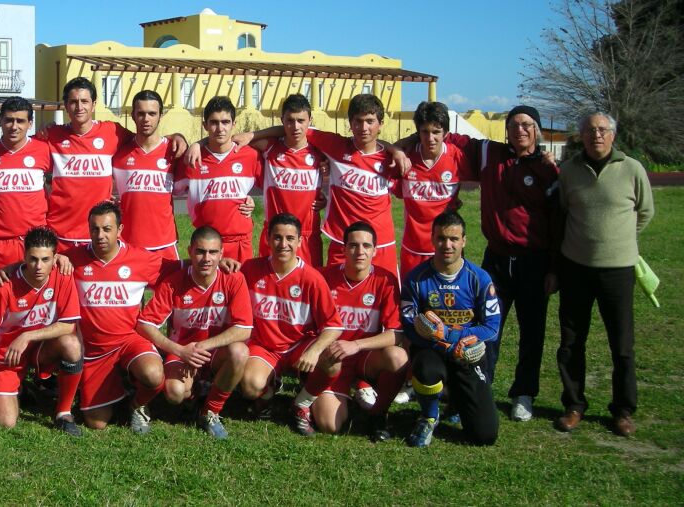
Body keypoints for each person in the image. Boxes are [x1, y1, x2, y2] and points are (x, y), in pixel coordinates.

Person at [416, 105, 560, 421]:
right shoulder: (488, 153)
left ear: (536, 130)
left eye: (526, 125)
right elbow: (438, 131)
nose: (520, 130)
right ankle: (482, 386)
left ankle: (524, 393)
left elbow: (557, 221)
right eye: (513, 125)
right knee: (484, 328)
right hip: (495, 259)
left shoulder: (549, 170)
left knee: (532, 330)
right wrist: (400, 147)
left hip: (533, 261)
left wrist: (553, 268)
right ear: (505, 130)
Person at [0, 78, 187, 252]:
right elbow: (15, 143)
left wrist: (177, 136)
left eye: (85, 101)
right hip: (60, 235)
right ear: (66, 106)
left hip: (99, 234)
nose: (79, 107)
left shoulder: (113, 132)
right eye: (74, 102)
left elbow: (146, 137)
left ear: (94, 105)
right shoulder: (52, 136)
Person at [228, 94, 410, 274]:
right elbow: (225, 141)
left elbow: (427, 138)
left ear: (381, 124)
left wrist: (397, 149)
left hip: (379, 242)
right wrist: (252, 135)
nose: (364, 127)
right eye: (358, 121)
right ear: (350, 122)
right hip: (336, 240)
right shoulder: (335, 146)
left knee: (383, 297)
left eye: (370, 121)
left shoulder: (391, 160)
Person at [554, 112, 654, 437]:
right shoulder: (568, 171)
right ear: (581, 136)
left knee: (621, 345)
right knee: (571, 342)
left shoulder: (632, 169)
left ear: (612, 135)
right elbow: (562, 213)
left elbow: (645, 212)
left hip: (618, 270)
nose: (596, 135)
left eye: (602, 130)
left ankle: (623, 411)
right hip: (576, 268)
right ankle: (574, 406)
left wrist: (620, 240)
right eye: (590, 130)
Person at [65, 201, 185, 433]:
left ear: (120, 230)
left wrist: (219, 263)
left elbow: (183, 269)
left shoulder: (141, 259)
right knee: (96, 423)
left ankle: (137, 405)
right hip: (95, 351)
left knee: (153, 374)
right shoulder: (73, 259)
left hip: (130, 340)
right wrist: (7, 271)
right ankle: (123, 383)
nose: (100, 235)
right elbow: (37, 263)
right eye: (95, 229)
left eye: (107, 229)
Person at [137, 226, 253, 439]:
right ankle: (198, 391)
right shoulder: (174, 282)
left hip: (215, 351)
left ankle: (211, 411)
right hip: (182, 352)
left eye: (212, 252)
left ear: (222, 253)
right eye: (200, 251)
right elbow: (144, 324)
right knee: (174, 393)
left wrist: (202, 346)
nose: (206, 258)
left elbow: (244, 329)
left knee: (240, 353)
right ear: (190, 251)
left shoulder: (234, 279)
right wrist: (180, 351)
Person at [0, 225, 85, 436]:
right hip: (8, 357)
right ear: (24, 256)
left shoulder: (63, 275)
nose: (39, 266)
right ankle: (20, 387)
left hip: (38, 348)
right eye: (33, 259)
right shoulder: (6, 286)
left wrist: (27, 335)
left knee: (71, 343)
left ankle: (63, 413)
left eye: (45, 259)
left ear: (55, 258)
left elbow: (68, 325)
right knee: (6, 422)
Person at [299, 221, 407, 440]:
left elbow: (396, 334)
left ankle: (378, 413)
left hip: (365, 356)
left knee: (398, 356)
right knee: (330, 425)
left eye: (366, 246)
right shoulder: (323, 277)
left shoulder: (385, 281)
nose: (360, 251)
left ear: (375, 250)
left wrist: (356, 344)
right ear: (343, 248)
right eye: (353, 245)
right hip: (332, 359)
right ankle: (331, 388)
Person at [401, 211, 500, 447]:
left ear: (464, 241)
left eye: (454, 239)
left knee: (485, 436)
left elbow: (492, 327)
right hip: (431, 351)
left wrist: (452, 337)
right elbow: (409, 325)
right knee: (425, 367)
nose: (448, 245)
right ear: (433, 239)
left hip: (465, 354)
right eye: (442, 238)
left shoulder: (479, 279)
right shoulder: (416, 279)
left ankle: (457, 401)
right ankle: (429, 416)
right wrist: (439, 341)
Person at [238, 212, 343, 432]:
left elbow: (333, 326)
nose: (283, 244)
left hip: (299, 347)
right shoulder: (251, 269)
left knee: (333, 359)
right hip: (264, 347)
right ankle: (268, 391)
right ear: (267, 238)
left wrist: (314, 351)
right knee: (249, 387)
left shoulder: (312, 278)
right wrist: (226, 263)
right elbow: (225, 281)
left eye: (289, 238)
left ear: (299, 241)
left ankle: (301, 403)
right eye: (277, 237)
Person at [174, 96, 261, 262]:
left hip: (240, 243)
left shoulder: (250, 155)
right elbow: (165, 193)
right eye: (214, 122)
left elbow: (274, 183)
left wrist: (250, 200)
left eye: (226, 122)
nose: (220, 128)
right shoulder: (191, 159)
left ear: (234, 124)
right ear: (205, 125)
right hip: (207, 245)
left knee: (241, 287)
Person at [395, 101, 472, 279]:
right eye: (425, 132)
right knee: (411, 303)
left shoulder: (458, 157)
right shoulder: (406, 158)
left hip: (447, 248)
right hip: (412, 248)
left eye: (436, 132)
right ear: (418, 132)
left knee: (447, 303)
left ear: (445, 133)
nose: (430, 138)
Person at [246, 94, 325, 266]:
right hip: (274, 235)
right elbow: (231, 141)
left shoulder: (320, 151)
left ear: (310, 120)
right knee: (270, 288)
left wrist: (327, 200)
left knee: (308, 289)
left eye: (301, 120)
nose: (295, 126)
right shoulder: (270, 146)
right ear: (282, 120)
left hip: (307, 235)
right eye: (289, 120)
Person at [0, 97, 52, 267]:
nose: (14, 126)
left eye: (20, 121)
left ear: (30, 123)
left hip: (35, 244)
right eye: (9, 120)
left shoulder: (44, 149)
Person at [112, 90, 180, 260]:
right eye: (141, 113)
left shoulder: (174, 152)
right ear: (133, 115)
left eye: (152, 113)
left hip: (165, 244)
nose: (146, 119)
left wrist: (244, 199)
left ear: (160, 115)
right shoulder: (118, 154)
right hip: (128, 243)